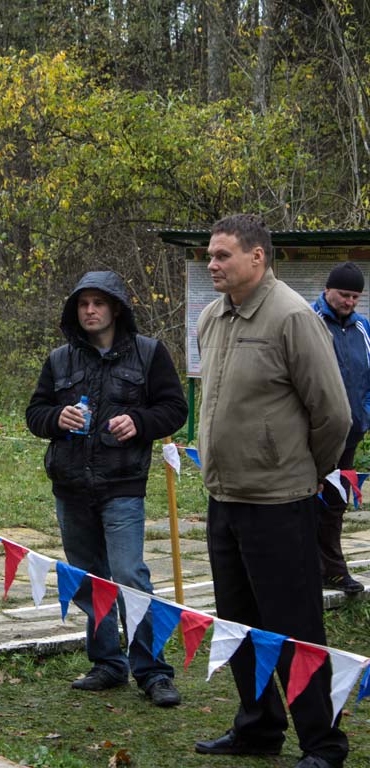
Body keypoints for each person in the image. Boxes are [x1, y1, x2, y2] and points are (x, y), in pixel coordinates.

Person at [194, 214, 351, 768]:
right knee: (239, 623)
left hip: (280, 504)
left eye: (222, 255)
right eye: (209, 255)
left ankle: (323, 745)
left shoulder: (292, 318)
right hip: (224, 499)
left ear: (257, 257)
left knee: (295, 628)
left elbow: (334, 414)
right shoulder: (212, 317)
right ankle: (258, 728)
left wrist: (298, 471)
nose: (212, 264)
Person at [26, 270, 188, 707]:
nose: (90, 311)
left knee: (129, 575)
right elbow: (35, 414)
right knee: (88, 580)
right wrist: (56, 418)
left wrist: (139, 422)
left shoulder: (149, 353)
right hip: (71, 486)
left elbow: (175, 409)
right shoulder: (59, 360)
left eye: (98, 303)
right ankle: (107, 663)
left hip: (122, 485)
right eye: (83, 304)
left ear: (116, 308)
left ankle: (153, 672)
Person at [312, 262, 370, 593]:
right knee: (306, 503)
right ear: (327, 290)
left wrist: (364, 414)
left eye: (355, 297)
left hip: (350, 434)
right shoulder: (309, 321)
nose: (348, 302)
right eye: (343, 294)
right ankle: (305, 568)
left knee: (335, 503)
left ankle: (332, 570)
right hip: (313, 436)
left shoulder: (363, 328)